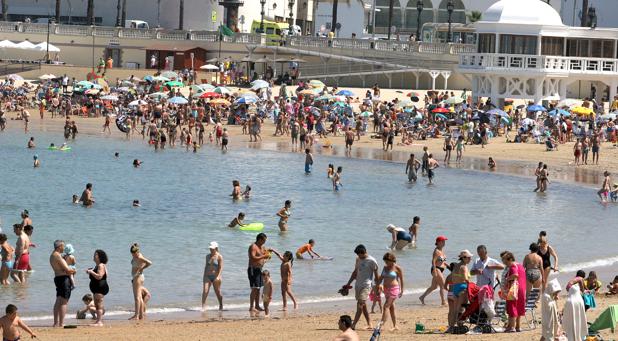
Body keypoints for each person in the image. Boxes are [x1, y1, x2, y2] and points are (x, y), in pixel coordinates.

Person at [342, 244, 379, 330]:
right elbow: (355, 272)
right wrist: (348, 284)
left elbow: (376, 276)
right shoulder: (358, 259)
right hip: (358, 285)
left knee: (360, 304)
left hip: (366, 285)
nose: (358, 256)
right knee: (363, 305)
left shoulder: (372, 261)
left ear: (364, 252)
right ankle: (369, 324)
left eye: (359, 254)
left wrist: (377, 288)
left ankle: (353, 325)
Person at [374, 252, 404, 331]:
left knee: (386, 306)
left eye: (387, 261)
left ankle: (381, 325)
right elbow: (381, 279)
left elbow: (401, 279)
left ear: (392, 260)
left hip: (394, 289)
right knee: (391, 308)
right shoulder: (385, 267)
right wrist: (377, 287)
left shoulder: (397, 268)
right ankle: (395, 325)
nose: (386, 263)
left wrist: (402, 290)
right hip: (386, 290)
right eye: (385, 262)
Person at [50, 240, 76, 327]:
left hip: (58, 278)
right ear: (59, 246)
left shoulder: (52, 255)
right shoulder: (57, 256)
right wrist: (74, 270)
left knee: (58, 300)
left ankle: (55, 323)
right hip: (63, 279)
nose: (64, 248)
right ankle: (61, 323)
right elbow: (67, 270)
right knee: (64, 302)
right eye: (63, 246)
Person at [500, 251, 526, 332]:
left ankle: (511, 327)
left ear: (510, 259)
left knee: (512, 307)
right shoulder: (520, 265)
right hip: (521, 289)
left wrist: (507, 279)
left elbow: (515, 275)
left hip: (514, 289)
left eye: (505, 260)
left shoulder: (512, 266)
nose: (504, 263)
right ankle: (518, 327)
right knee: (518, 308)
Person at [447, 250, 472, 331]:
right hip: (462, 288)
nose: (470, 259)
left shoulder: (456, 266)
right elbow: (465, 278)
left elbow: (452, 278)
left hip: (455, 288)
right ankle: (460, 324)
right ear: (464, 258)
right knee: (462, 307)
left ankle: (451, 327)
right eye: (469, 258)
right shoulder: (464, 267)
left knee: (455, 309)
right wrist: (471, 285)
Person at [419, 236, 448, 306]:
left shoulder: (442, 251)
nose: (444, 242)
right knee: (443, 285)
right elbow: (433, 261)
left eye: (444, 241)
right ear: (438, 242)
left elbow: (443, 262)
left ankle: (422, 297)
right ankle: (443, 301)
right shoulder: (436, 251)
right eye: (443, 241)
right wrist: (435, 271)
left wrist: (450, 267)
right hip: (436, 269)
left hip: (440, 270)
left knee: (434, 286)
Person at [85, 249, 109, 326]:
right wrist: (91, 271)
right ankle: (98, 321)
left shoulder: (101, 265)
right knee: (97, 303)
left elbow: (99, 276)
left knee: (98, 304)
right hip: (98, 287)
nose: (94, 256)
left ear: (100, 257)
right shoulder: (98, 266)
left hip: (100, 287)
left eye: (95, 254)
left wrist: (91, 272)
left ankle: (99, 322)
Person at [129, 243, 152, 320]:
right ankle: (141, 315)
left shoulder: (139, 256)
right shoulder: (138, 255)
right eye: (132, 254)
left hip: (138, 277)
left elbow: (149, 263)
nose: (133, 255)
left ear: (136, 252)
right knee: (139, 297)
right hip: (137, 277)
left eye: (134, 254)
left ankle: (136, 315)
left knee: (137, 298)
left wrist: (142, 268)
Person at [248, 233, 269, 315]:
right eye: (264, 240)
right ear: (259, 239)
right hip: (253, 269)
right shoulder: (253, 246)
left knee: (258, 288)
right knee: (254, 288)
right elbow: (252, 257)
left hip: (259, 269)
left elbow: (264, 254)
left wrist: (268, 254)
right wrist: (263, 256)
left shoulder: (262, 247)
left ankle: (257, 305)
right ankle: (251, 307)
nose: (264, 242)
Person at [202, 241, 223, 311]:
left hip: (215, 276)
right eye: (210, 248)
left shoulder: (219, 256)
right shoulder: (207, 256)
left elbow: (220, 267)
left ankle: (221, 304)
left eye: (212, 249)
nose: (211, 250)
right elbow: (206, 266)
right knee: (205, 291)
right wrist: (204, 276)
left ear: (216, 248)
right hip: (207, 276)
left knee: (218, 292)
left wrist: (218, 276)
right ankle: (203, 306)